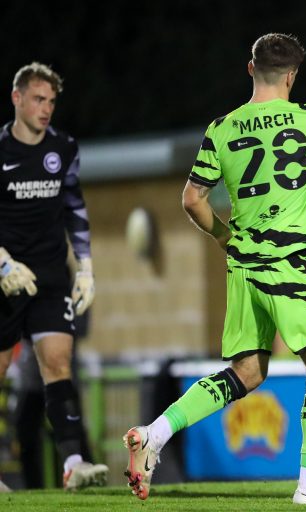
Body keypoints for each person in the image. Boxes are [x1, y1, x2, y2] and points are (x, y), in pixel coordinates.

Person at [123, 9, 306, 505]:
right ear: (292, 76)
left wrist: (224, 237)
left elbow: (192, 199)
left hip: (243, 265)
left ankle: (154, 433)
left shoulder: (221, 129)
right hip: (290, 265)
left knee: (246, 373)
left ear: (250, 69)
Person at [0, 62, 106, 491]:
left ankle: (74, 463)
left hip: (48, 273)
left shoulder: (63, 148)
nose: (46, 109)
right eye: (38, 100)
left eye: (52, 102)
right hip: (5, 273)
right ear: (17, 98)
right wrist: (2, 262)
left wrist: (85, 267)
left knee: (58, 364)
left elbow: (74, 208)